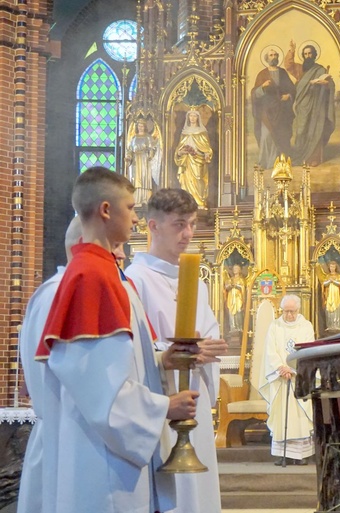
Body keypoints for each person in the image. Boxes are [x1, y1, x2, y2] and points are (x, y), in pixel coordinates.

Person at [35, 166, 199, 513]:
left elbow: (105, 366)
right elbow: (99, 392)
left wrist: (160, 361)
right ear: (106, 210)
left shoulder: (103, 271)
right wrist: (164, 407)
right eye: (131, 207)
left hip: (109, 450)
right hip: (103, 460)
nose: (137, 218)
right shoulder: (92, 276)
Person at [125, 188, 228, 513]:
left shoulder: (195, 281)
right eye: (179, 224)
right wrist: (178, 353)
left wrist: (209, 348)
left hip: (192, 400)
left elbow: (206, 330)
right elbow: (133, 350)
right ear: (152, 226)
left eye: (193, 224)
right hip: (161, 402)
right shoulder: (134, 280)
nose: (188, 234)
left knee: (197, 493)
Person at [18, 220, 128, 513]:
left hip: (58, 433)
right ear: (85, 241)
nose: (122, 256)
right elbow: (87, 378)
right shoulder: (70, 291)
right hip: (75, 437)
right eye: (116, 246)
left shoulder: (47, 291)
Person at [259, 294, 316, 465]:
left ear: (298, 310)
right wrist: (281, 368)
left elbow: (308, 348)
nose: (289, 315)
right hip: (280, 378)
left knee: (299, 415)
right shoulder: (275, 326)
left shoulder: (306, 326)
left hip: (298, 377)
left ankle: (301, 455)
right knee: (281, 415)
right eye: (286, 311)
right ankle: (283, 453)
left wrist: (293, 369)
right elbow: (270, 350)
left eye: (292, 311)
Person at [284, 40, 335, 166]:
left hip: (317, 105)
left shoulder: (321, 69)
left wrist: (326, 84)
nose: (308, 56)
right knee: (301, 130)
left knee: (315, 129)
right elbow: (288, 65)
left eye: (310, 53)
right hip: (302, 104)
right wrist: (291, 51)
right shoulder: (300, 69)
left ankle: (313, 158)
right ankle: (299, 155)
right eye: (305, 54)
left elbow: (330, 84)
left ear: (314, 55)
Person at [252, 46, 296, 169]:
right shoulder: (262, 74)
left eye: (275, 55)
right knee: (266, 136)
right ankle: (266, 162)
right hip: (267, 110)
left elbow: (292, 88)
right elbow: (254, 93)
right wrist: (262, 87)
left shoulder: (282, 72)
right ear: (266, 58)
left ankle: (281, 162)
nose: (273, 57)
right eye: (271, 55)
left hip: (281, 110)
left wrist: (289, 96)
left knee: (282, 135)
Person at [175, 109, 213, 208]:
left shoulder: (202, 132)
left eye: (194, 116)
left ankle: (199, 201)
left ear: (198, 118)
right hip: (186, 161)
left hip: (198, 161)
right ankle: (187, 202)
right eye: (190, 116)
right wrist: (181, 152)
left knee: (198, 179)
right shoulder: (184, 132)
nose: (192, 118)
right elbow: (178, 150)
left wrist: (206, 154)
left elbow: (207, 148)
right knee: (186, 181)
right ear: (188, 118)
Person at [125, 118, 158, 206]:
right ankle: (136, 198)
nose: (140, 127)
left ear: (145, 127)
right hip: (135, 160)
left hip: (144, 159)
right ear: (137, 127)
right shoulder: (134, 138)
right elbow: (129, 150)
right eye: (139, 126)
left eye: (142, 126)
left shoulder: (148, 137)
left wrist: (150, 155)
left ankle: (145, 198)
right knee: (135, 179)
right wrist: (128, 157)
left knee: (144, 178)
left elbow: (152, 148)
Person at [321, 260, 340, 333]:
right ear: (329, 267)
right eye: (331, 266)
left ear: (335, 267)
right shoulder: (327, 276)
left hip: (336, 296)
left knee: (336, 309)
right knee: (329, 309)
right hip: (329, 296)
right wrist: (329, 281)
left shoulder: (338, 276)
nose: (332, 268)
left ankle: (337, 325)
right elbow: (324, 284)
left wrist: (333, 281)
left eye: (333, 266)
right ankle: (330, 325)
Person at [224, 264, 246, 333]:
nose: (235, 270)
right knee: (231, 312)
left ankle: (239, 327)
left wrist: (236, 286)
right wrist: (229, 286)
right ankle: (232, 327)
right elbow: (226, 288)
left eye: (236, 268)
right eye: (234, 268)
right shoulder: (230, 279)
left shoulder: (241, 279)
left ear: (239, 270)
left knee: (238, 311)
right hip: (231, 298)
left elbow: (243, 288)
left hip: (238, 298)